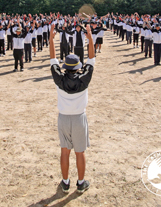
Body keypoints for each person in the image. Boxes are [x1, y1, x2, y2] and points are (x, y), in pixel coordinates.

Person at [49, 24, 94, 194]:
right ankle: (81, 183)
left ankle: (65, 182)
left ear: (66, 66)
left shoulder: (59, 78)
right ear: (77, 67)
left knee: (65, 152)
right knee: (80, 152)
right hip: (79, 118)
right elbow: (91, 60)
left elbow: (53, 60)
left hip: (63, 118)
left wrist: (51, 39)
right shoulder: (85, 78)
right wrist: (89, 38)